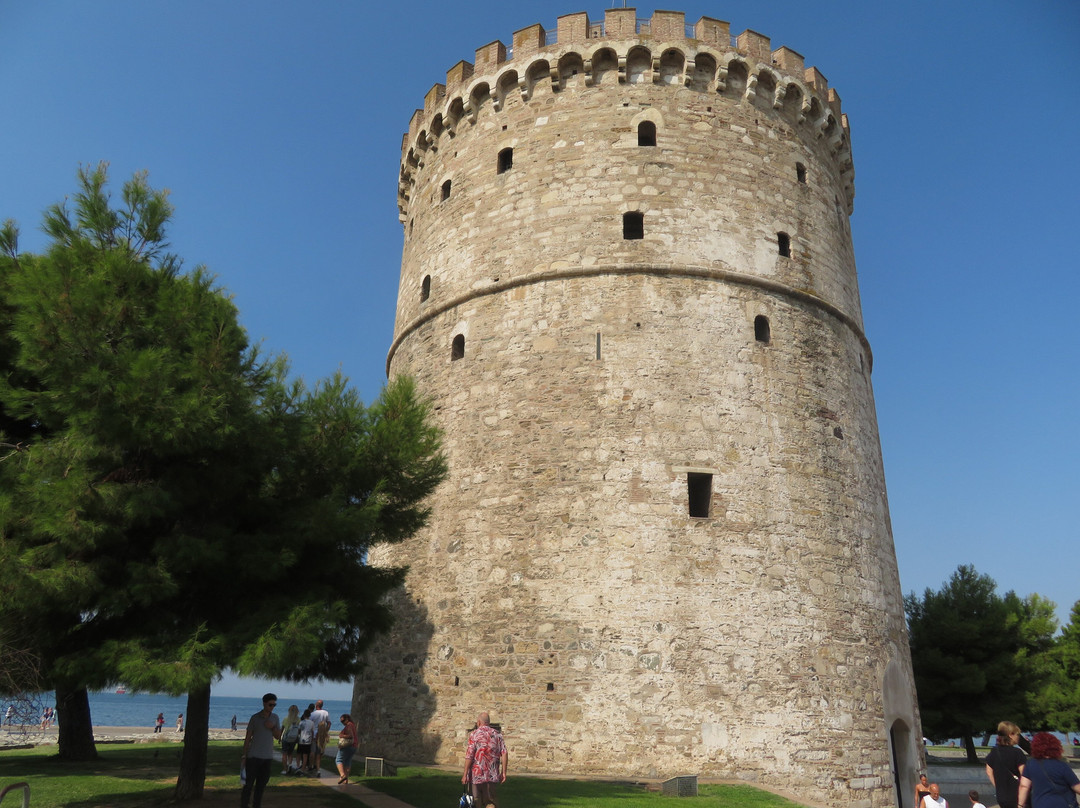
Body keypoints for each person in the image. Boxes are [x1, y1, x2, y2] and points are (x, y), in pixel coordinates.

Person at [1017, 732, 1080, 808]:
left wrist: (1020, 805)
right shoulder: (1061, 766)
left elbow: (1024, 786)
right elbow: (1077, 787)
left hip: (1040, 804)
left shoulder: (1030, 764)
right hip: (1062, 804)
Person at [241, 693, 282, 808]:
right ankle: (244, 805)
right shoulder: (255, 718)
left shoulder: (275, 718)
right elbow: (248, 738)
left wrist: (272, 727)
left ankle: (256, 805)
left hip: (267, 757)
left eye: (274, 705)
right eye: (270, 704)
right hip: (253, 756)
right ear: (264, 703)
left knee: (261, 785)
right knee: (248, 785)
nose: (272, 707)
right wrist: (244, 755)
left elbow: (278, 736)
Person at [462, 711, 508, 808]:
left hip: (476, 775)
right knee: (490, 801)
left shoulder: (474, 734)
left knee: (476, 800)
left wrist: (465, 773)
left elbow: (469, 755)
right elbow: (504, 752)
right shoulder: (497, 735)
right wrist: (503, 772)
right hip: (492, 775)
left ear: (478, 722)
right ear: (489, 723)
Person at [986, 720, 1027, 808]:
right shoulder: (1017, 753)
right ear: (1010, 735)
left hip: (1001, 795)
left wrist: (998, 786)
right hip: (1016, 795)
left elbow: (989, 772)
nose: (1018, 737)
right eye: (1017, 734)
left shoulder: (994, 751)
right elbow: (1024, 774)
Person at [335, 713, 358, 784]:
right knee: (347, 761)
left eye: (343, 721)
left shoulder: (349, 725)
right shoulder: (353, 725)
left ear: (347, 719)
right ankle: (346, 780)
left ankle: (342, 775)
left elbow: (350, 736)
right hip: (354, 746)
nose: (342, 723)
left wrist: (342, 735)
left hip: (347, 746)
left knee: (338, 760)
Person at [310, 699, 331, 775]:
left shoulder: (312, 714)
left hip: (314, 734)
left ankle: (311, 765)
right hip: (322, 734)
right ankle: (317, 767)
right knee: (319, 752)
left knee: (312, 751)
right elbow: (329, 723)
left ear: (316, 706)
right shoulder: (326, 713)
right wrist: (325, 731)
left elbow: (310, 724)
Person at [279, 705, 301, 774]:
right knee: (290, 753)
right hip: (293, 739)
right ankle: (290, 764)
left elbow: (282, 729)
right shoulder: (298, 720)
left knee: (284, 754)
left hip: (286, 738)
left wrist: (280, 738)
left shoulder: (286, 719)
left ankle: (285, 769)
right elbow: (299, 730)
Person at [297, 708, 317, 775]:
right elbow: (312, 732)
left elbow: (299, 731)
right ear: (309, 715)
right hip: (308, 741)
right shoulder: (312, 723)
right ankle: (303, 768)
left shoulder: (301, 722)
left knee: (299, 754)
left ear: (304, 714)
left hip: (301, 740)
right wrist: (311, 739)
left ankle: (298, 766)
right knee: (305, 755)